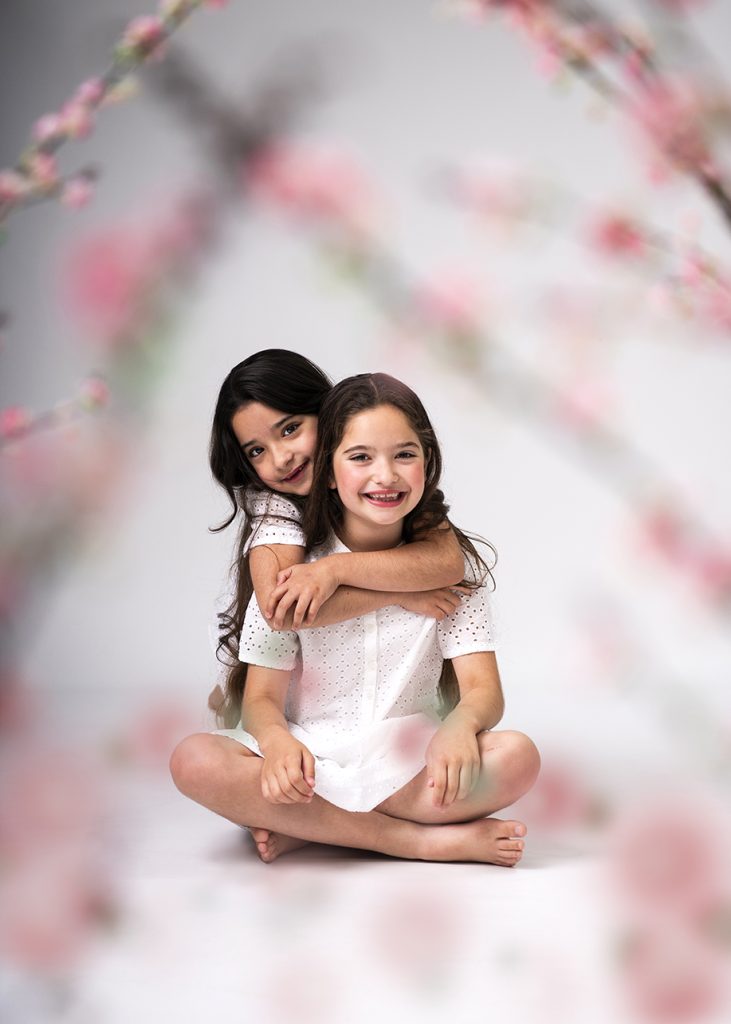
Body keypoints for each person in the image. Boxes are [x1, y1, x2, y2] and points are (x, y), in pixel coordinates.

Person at [171, 372, 540, 865]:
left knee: (518, 757)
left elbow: (483, 690)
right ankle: (406, 839)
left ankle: (317, 826)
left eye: (404, 455)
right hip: (309, 758)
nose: (385, 476)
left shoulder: (448, 568)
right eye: (361, 457)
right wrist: (277, 742)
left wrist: (460, 727)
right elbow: (261, 697)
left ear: (428, 464)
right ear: (328, 471)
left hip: (406, 759)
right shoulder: (290, 569)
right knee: (193, 760)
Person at [208, 349, 472, 727]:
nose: (281, 458)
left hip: (373, 711)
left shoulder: (383, 484)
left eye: (290, 429)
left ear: (329, 414)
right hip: (287, 709)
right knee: (202, 754)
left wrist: (334, 570)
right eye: (257, 450)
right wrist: (403, 595)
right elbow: (281, 611)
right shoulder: (274, 507)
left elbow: (447, 563)